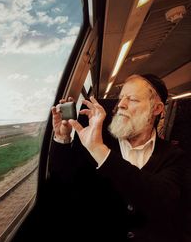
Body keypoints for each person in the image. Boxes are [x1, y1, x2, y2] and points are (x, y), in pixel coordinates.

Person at [48, 74, 185, 242]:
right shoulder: (95, 139)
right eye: (121, 99)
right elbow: (61, 181)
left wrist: (100, 151)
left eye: (132, 99)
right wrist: (63, 139)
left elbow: (162, 200)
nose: (120, 105)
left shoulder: (173, 156)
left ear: (156, 109)